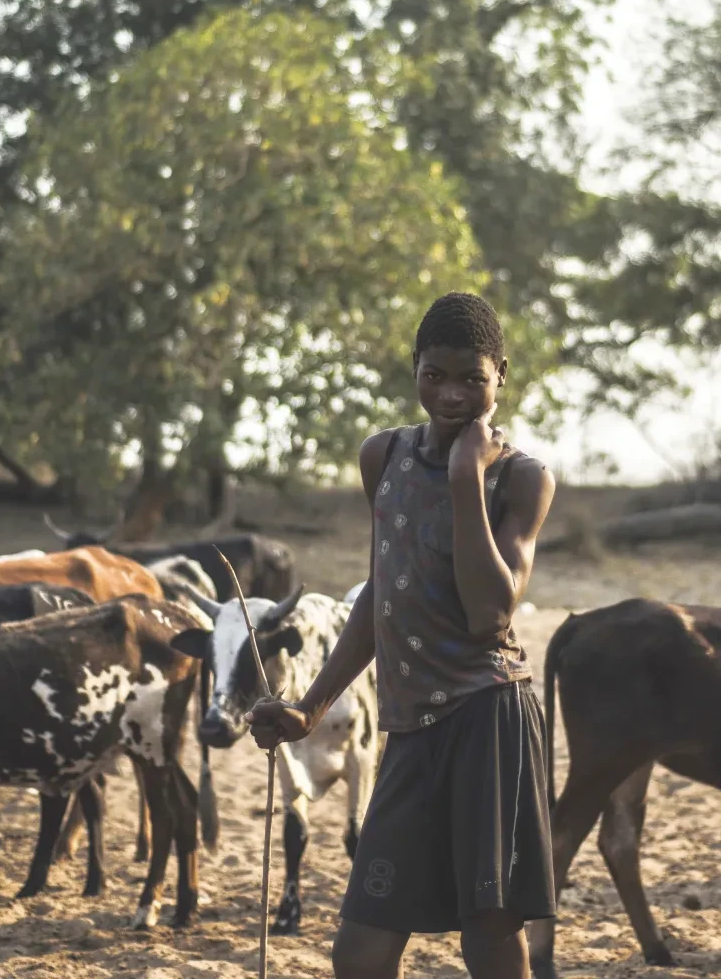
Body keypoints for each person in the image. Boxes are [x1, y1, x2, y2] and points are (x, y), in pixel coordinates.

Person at [245, 291, 558, 979]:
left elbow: (490, 615)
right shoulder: (381, 457)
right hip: (410, 727)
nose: (451, 394)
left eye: (472, 378)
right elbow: (383, 595)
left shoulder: (523, 478)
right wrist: (308, 709)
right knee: (361, 944)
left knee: (490, 934)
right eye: (434, 375)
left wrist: (463, 479)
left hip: (489, 720)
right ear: (413, 368)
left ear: (501, 375)